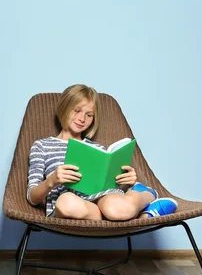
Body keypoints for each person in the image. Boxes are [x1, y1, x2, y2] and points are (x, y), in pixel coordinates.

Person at [26, 84, 178, 220]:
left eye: (89, 114)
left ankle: (142, 192)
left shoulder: (97, 149)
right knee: (67, 202)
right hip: (69, 206)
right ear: (63, 108)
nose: (82, 118)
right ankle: (145, 215)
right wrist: (52, 180)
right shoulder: (42, 146)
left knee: (114, 207)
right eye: (77, 110)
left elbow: (108, 186)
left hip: (103, 200)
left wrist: (126, 182)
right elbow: (32, 197)